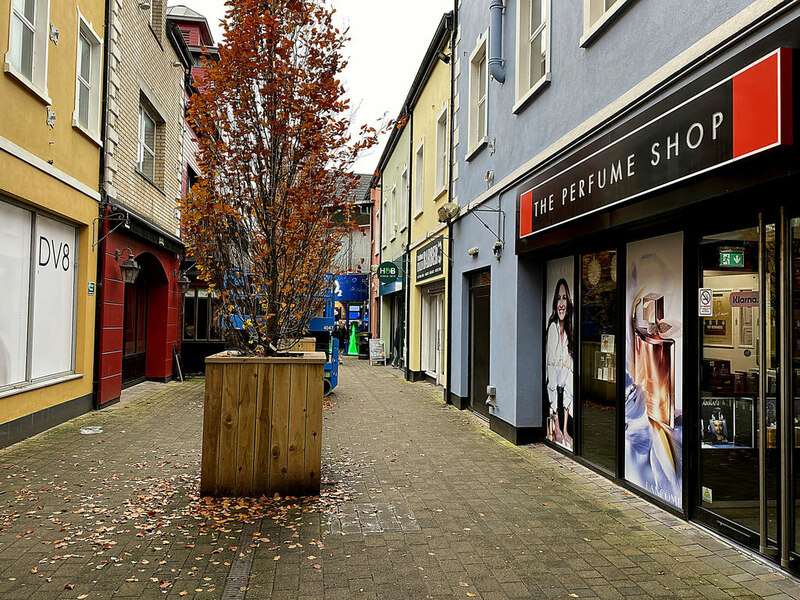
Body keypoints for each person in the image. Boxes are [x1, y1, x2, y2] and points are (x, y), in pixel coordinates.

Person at [545, 278, 574, 449]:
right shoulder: (552, 329)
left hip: (566, 386)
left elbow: (569, 376)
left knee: (568, 388)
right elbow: (552, 376)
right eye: (558, 298)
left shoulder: (571, 330)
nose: (561, 302)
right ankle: (557, 429)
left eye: (564, 298)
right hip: (554, 386)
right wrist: (555, 426)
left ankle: (565, 431)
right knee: (555, 387)